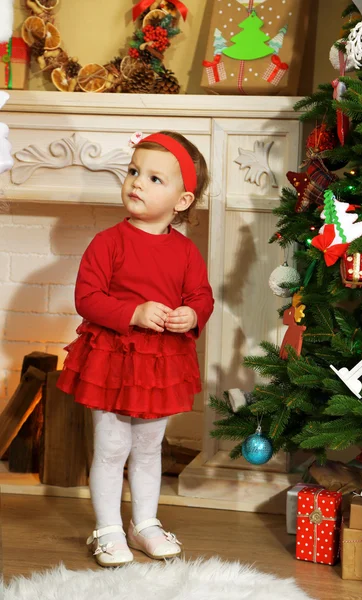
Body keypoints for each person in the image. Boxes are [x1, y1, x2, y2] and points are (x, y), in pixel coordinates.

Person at [57, 131, 214, 567]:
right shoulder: (108, 242)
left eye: (153, 178)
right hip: (112, 359)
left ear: (182, 201)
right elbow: (87, 299)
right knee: (110, 447)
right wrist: (134, 312)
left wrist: (192, 315)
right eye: (133, 171)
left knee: (148, 449)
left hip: (160, 364)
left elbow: (202, 296)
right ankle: (107, 529)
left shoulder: (185, 252)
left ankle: (144, 523)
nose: (136, 183)